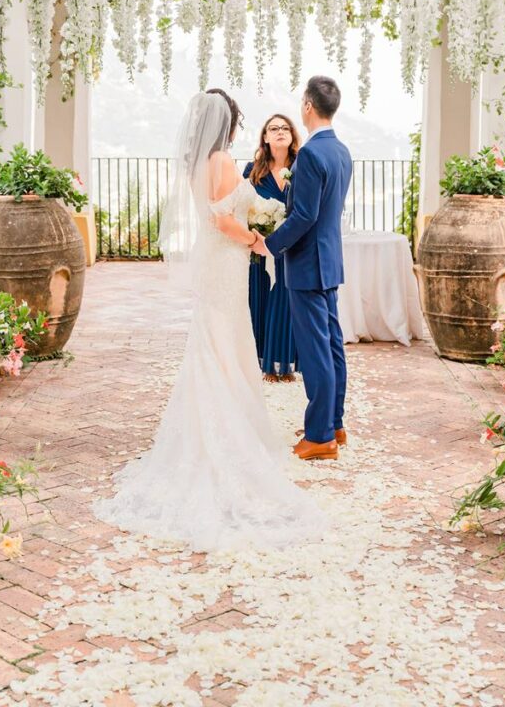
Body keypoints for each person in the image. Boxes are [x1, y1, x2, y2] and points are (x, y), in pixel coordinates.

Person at [94, 89, 322, 551]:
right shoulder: (220, 161)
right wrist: (257, 238)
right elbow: (222, 220)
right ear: (228, 124)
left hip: (221, 266)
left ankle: (214, 424)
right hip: (227, 261)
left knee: (218, 341)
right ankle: (225, 435)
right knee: (226, 339)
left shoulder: (198, 163)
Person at [254, 76, 353, 463]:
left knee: (315, 351)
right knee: (331, 344)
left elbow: (304, 215)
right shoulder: (341, 150)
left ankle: (320, 436)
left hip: (307, 264)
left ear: (308, 106)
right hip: (328, 260)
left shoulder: (311, 155)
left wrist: (270, 244)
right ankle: (335, 422)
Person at [243, 114, 300, 382]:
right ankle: (264, 363)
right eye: (273, 128)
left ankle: (286, 364)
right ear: (265, 137)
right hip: (258, 248)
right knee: (260, 299)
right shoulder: (252, 171)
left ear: (292, 136)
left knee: (287, 302)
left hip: (291, 247)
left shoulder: (302, 168)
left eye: (285, 128)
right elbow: (243, 209)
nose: (279, 132)